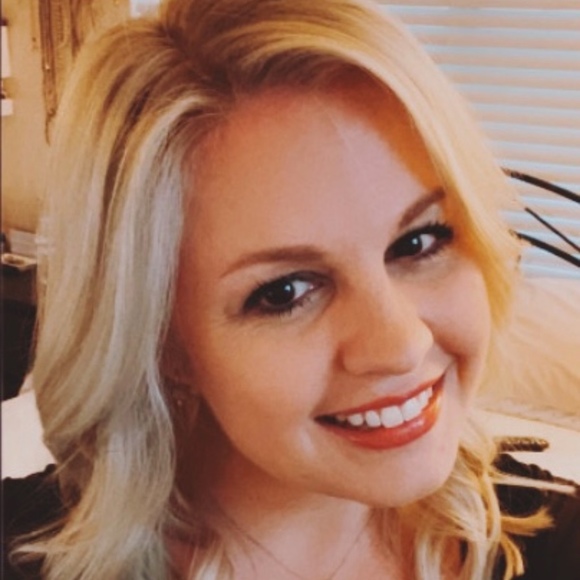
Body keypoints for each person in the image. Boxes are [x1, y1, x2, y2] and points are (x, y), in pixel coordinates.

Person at [3, 0, 579, 578]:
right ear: (163, 343)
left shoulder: (554, 542)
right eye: (285, 292)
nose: (402, 344)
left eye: (418, 242)